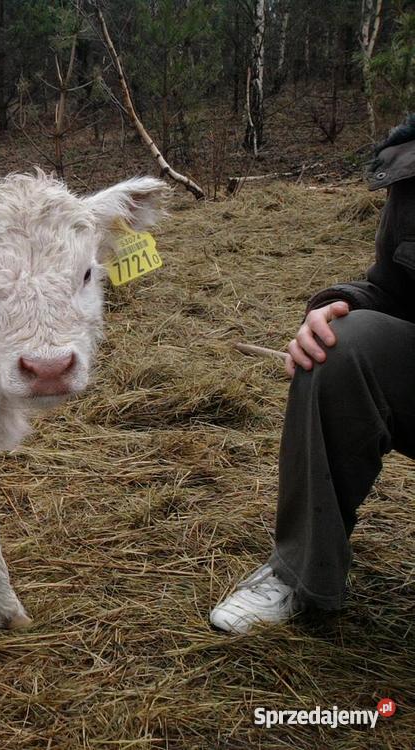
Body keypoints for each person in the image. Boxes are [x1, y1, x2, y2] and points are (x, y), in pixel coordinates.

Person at [210, 114, 415, 634]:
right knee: (338, 347)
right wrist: (335, 306)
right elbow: (392, 292)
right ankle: (302, 575)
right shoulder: (410, 168)